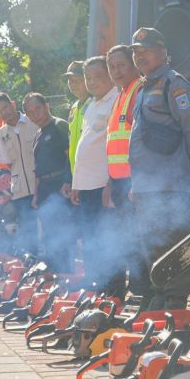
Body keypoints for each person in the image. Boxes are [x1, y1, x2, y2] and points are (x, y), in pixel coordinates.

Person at [129, 28, 190, 310]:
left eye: (146, 50)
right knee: (151, 244)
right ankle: (160, 293)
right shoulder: (144, 86)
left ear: (163, 52)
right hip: (145, 186)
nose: (139, 56)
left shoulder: (174, 84)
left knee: (173, 242)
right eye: (136, 52)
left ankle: (175, 301)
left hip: (170, 183)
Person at [69, 56, 118, 290]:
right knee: (89, 240)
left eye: (98, 76)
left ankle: (112, 290)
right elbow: (84, 145)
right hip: (86, 185)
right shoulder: (91, 105)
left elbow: (114, 146)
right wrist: (76, 183)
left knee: (107, 240)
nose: (92, 82)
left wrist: (111, 182)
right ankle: (94, 283)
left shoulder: (115, 100)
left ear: (110, 75)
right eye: (88, 77)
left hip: (103, 184)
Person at [105, 45, 144, 296]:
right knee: (126, 241)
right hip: (118, 182)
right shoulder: (120, 95)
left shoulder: (138, 90)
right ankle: (137, 291)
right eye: (112, 67)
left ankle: (142, 292)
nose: (116, 71)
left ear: (133, 64)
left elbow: (140, 141)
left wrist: (137, 182)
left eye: (121, 65)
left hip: (133, 181)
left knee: (137, 241)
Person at [25, 93, 73, 272]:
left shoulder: (59, 126)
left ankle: (66, 274)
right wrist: (36, 194)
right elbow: (38, 167)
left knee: (62, 234)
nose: (35, 114)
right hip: (44, 188)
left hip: (59, 186)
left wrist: (68, 181)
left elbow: (70, 157)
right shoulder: (38, 133)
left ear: (46, 105)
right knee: (48, 235)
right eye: (30, 112)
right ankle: (54, 274)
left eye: (37, 108)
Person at [0, 92, 41, 257]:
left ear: (12, 104)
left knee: (46, 228)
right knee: (28, 231)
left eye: (5, 107)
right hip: (20, 190)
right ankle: (32, 267)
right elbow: (7, 161)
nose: (3, 113)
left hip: (40, 185)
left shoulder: (33, 121)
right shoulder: (1, 133)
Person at [64, 61, 90, 176]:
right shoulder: (74, 107)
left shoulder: (96, 104)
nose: (73, 84)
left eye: (78, 80)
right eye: (70, 80)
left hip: (93, 175)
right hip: (77, 175)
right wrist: (68, 178)